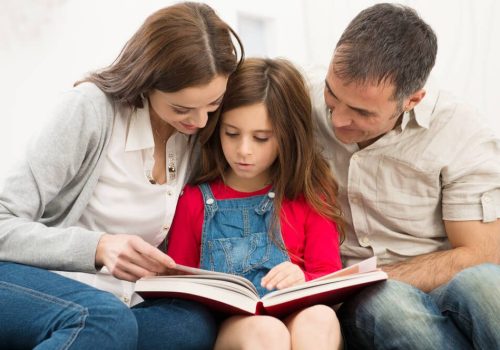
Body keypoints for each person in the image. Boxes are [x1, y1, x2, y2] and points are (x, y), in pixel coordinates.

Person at [0, 2, 244, 349]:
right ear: (147, 80)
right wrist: (98, 247)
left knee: (188, 327)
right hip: (34, 284)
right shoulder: (90, 109)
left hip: (119, 301)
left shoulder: (195, 135)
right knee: (103, 320)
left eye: (212, 105)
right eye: (181, 108)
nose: (200, 121)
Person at [312, 3, 500, 349]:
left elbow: (480, 253)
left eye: (361, 112)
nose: (337, 119)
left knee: (487, 285)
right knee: (390, 303)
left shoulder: (461, 130)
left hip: (438, 281)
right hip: (368, 304)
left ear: (412, 100)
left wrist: (380, 276)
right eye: (332, 95)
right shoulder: (302, 100)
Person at [166, 58, 344, 350]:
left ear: (287, 137)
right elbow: (177, 286)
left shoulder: (309, 193)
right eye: (231, 134)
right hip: (234, 328)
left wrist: (303, 277)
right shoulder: (193, 199)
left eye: (261, 138)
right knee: (267, 333)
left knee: (321, 318)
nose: (243, 151)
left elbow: (329, 276)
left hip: (296, 314)